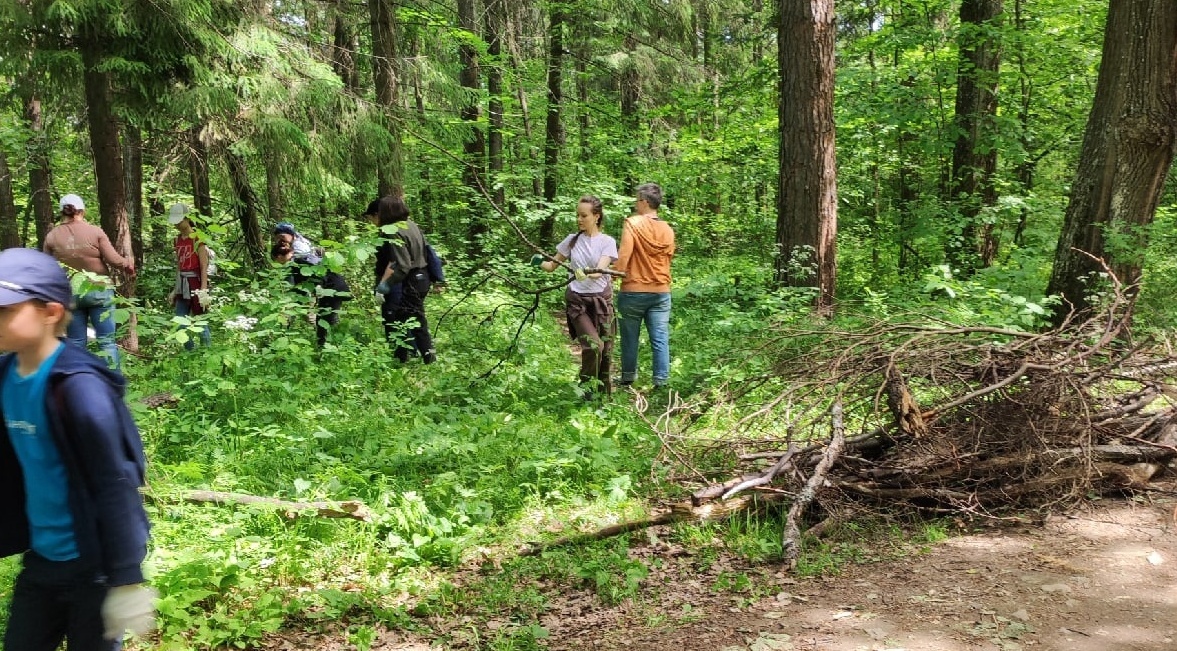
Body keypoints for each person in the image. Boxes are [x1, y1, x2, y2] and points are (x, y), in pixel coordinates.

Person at [0, 248, 156, 651]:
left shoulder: (80, 388)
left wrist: (126, 577)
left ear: (51, 312)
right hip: (41, 561)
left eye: (6, 310)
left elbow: (115, 481)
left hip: (94, 568)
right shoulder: (4, 375)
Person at [531, 195, 618, 398]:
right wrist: (538, 262)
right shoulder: (571, 240)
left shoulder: (607, 242)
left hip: (601, 302)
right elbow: (552, 266)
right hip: (577, 301)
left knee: (606, 351)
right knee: (594, 346)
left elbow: (600, 271)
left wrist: (586, 272)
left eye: (584, 215)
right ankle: (586, 391)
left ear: (596, 216)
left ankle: (603, 396)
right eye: (577, 215)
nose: (579, 219)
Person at [42, 193, 136, 369]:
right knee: (107, 342)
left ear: (62, 211)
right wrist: (128, 265)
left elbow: (46, 268)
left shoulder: (52, 236)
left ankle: (78, 384)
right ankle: (112, 384)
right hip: (99, 290)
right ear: (81, 210)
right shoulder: (95, 231)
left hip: (71, 294)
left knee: (76, 343)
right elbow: (113, 259)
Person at [615, 182, 675, 388]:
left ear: (644, 202)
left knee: (629, 337)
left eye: (637, 200)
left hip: (633, 291)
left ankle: (628, 377)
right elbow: (668, 259)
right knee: (660, 338)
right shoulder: (667, 229)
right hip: (661, 292)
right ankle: (661, 381)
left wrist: (612, 276)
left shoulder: (633, 223)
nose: (635, 204)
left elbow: (623, 257)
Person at [372, 196, 437, 364]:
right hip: (423, 277)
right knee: (404, 317)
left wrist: (384, 287)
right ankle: (404, 356)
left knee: (415, 320)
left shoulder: (393, 230)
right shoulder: (412, 225)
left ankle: (428, 358)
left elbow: (402, 265)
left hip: (413, 279)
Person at [271, 223, 351, 347]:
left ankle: (330, 347)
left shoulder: (300, 255)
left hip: (332, 286)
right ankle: (328, 346)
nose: (280, 240)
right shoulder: (297, 262)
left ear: (280, 256)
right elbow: (302, 286)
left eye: (278, 261)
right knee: (324, 319)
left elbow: (317, 275)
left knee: (325, 319)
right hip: (327, 287)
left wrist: (300, 304)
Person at [166, 204, 211, 349]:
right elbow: (180, 265)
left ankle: (206, 354)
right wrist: (175, 290)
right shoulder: (177, 240)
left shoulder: (198, 238)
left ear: (187, 218)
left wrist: (203, 290)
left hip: (196, 283)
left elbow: (204, 266)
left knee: (201, 322)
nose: (177, 225)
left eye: (179, 221)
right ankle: (191, 352)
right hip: (182, 285)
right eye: (175, 222)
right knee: (179, 323)